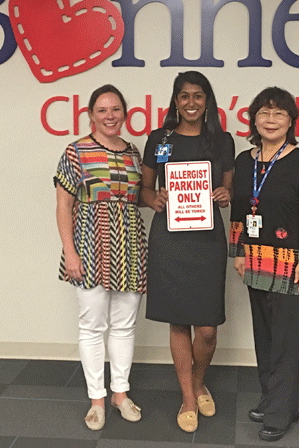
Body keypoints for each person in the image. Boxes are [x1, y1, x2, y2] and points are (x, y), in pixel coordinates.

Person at [229, 87, 299, 442]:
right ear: (254, 118)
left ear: (291, 121)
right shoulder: (244, 161)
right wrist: (237, 252)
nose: (271, 120)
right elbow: (240, 211)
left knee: (287, 340)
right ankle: (275, 399)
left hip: (290, 265)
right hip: (254, 263)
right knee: (265, 337)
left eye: (279, 114)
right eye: (264, 113)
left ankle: (280, 412)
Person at [141, 71, 235, 433]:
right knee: (179, 321)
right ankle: (187, 396)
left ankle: (199, 382)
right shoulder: (158, 139)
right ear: (175, 100)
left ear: (207, 100)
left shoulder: (222, 140)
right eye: (184, 96)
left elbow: (229, 190)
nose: (191, 103)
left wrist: (226, 195)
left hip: (208, 240)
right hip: (170, 239)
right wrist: (155, 198)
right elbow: (142, 190)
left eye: (198, 96)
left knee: (207, 328)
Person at [54, 85, 147, 431]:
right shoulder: (76, 151)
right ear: (90, 114)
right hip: (88, 247)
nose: (110, 116)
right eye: (103, 110)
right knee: (92, 326)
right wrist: (70, 251)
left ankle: (120, 394)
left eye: (116, 109)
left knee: (124, 325)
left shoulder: (134, 152)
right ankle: (97, 399)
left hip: (130, 247)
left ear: (125, 113)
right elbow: (64, 205)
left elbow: (137, 198)